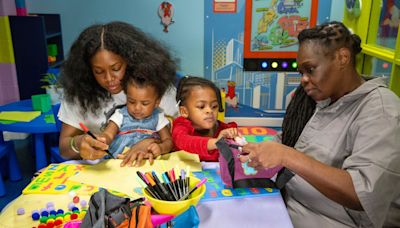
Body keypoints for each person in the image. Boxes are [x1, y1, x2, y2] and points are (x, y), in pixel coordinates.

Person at [239, 21, 400, 227]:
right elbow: (289, 140)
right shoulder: (312, 99)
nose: (304, 79)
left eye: (311, 69)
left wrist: (286, 155)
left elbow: (362, 195)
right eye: (301, 72)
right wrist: (257, 150)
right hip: (285, 206)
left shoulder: (381, 111)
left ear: (342, 58)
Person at [57, 21, 178, 166]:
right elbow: (64, 149)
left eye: (116, 68)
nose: (109, 79)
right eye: (99, 71)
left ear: (130, 61)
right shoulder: (79, 94)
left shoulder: (155, 88)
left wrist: (152, 142)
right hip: (104, 170)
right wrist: (78, 143)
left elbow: (181, 138)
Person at [100, 70, 173, 166]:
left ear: (156, 102)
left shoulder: (158, 117)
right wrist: (102, 140)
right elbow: (108, 134)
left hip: (145, 160)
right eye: (131, 102)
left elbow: (168, 141)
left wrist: (161, 148)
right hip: (119, 160)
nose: (137, 108)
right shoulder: (120, 114)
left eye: (145, 103)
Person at [172, 76, 240, 161]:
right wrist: (216, 142)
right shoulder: (181, 126)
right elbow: (184, 142)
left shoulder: (222, 129)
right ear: (184, 111)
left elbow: (238, 155)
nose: (209, 110)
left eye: (214, 106)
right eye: (201, 106)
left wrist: (235, 139)